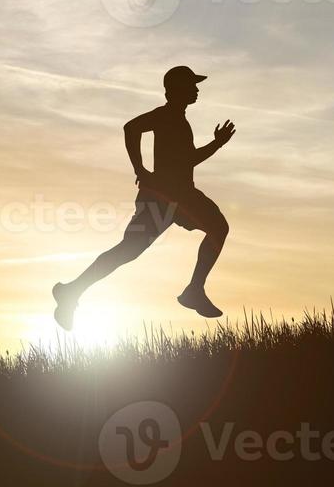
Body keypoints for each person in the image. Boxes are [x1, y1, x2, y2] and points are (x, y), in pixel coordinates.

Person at [52, 66, 235, 329]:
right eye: (191, 86)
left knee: (213, 229)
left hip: (178, 196)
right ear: (176, 89)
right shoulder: (166, 116)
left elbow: (188, 160)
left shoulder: (180, 121)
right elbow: (131, 128)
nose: (196, 90)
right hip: (165, 197)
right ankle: (72, 291)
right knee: (130, 250)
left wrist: (216, 144)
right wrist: (140, 170)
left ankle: (194, 290)